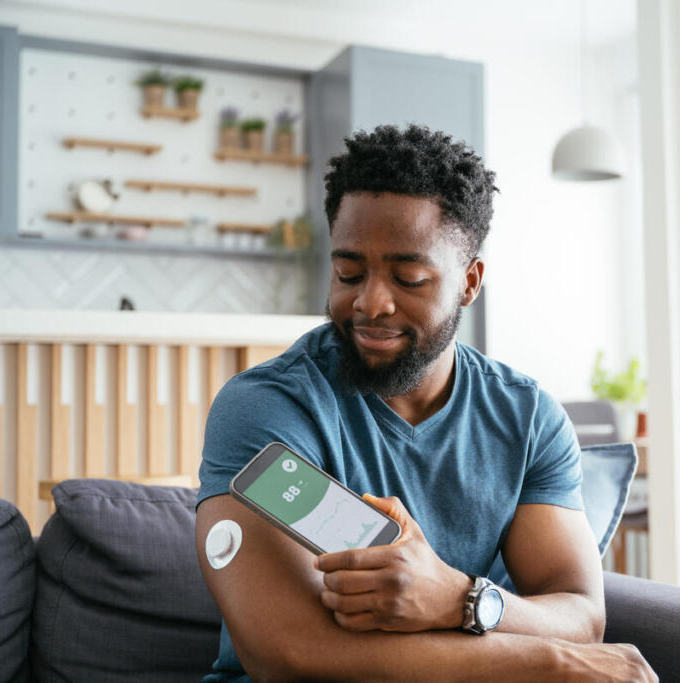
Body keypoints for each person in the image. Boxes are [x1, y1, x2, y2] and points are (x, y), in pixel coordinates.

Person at [195, 124, 656, 682]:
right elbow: (288, 653)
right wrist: (546, 659)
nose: (371, 303)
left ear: (469, 282)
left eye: (408, 278)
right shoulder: (268, 407)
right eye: (348, 273)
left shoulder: (527, 417)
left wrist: (459, 597)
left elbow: (581, 616)